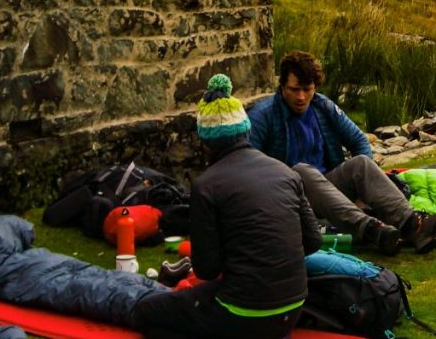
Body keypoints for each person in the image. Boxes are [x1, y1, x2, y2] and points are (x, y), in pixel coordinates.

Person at [133, 74, 322, 339]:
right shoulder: (286, 173)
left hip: (244, 312)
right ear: (246, 129)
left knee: (146, 313)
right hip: (294, 306)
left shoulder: (207, 186)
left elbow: (207, 270)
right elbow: (313, 241)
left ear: (206, 140)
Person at [248, 50, 436, 255]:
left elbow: (359, 141)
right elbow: (249, 165)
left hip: (327, 188)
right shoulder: (263, 116)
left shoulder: (323, 107)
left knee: (361, 163)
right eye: (294, 90)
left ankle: (415, 225)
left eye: (308, 89)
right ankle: (372, 230)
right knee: (302, 171)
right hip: (290, 195)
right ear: (282, 86)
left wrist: (361, 195)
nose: (302, 97)